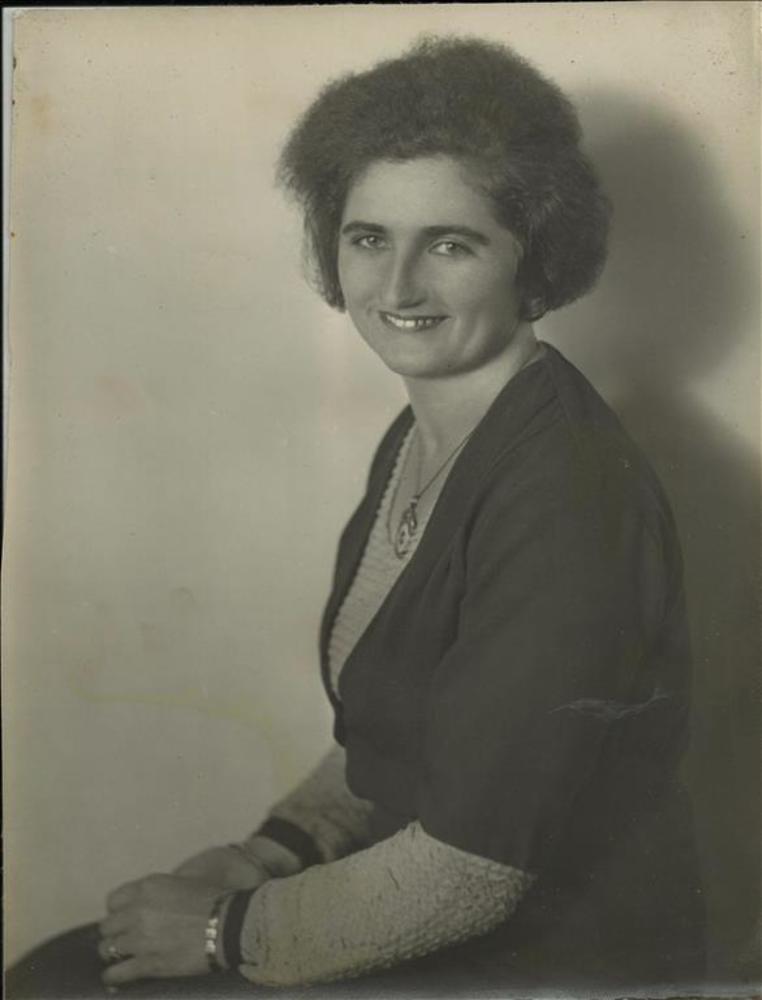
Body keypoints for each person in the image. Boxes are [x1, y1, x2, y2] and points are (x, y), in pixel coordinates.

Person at [6, 35, 705, 999]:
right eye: (369, 237)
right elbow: (396, 733)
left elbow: (473, 872)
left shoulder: (570, 495)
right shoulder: (426, 433)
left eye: (450, 244)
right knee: (61, 971)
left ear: (535, 259)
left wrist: (223, 930)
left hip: (560, 962)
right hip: (437, 904)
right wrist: (265, 853)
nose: (397, 286)